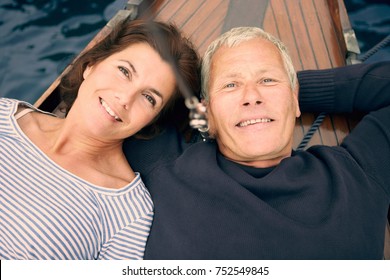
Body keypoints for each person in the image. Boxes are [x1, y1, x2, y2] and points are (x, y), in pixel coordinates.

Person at [125, 27, 390, 259]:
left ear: (294, 97)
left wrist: (291, 93)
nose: (252, 96)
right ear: (207, 113)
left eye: (267, 80)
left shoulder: (357, 174)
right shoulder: (165, 169)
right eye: (231, 85)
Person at [0, 19, 200, 260]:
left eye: (148, 98)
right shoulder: (5, 114)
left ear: (152, 121)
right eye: (124, 71)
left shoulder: (128, 213)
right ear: (91, 65)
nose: (125, 98)